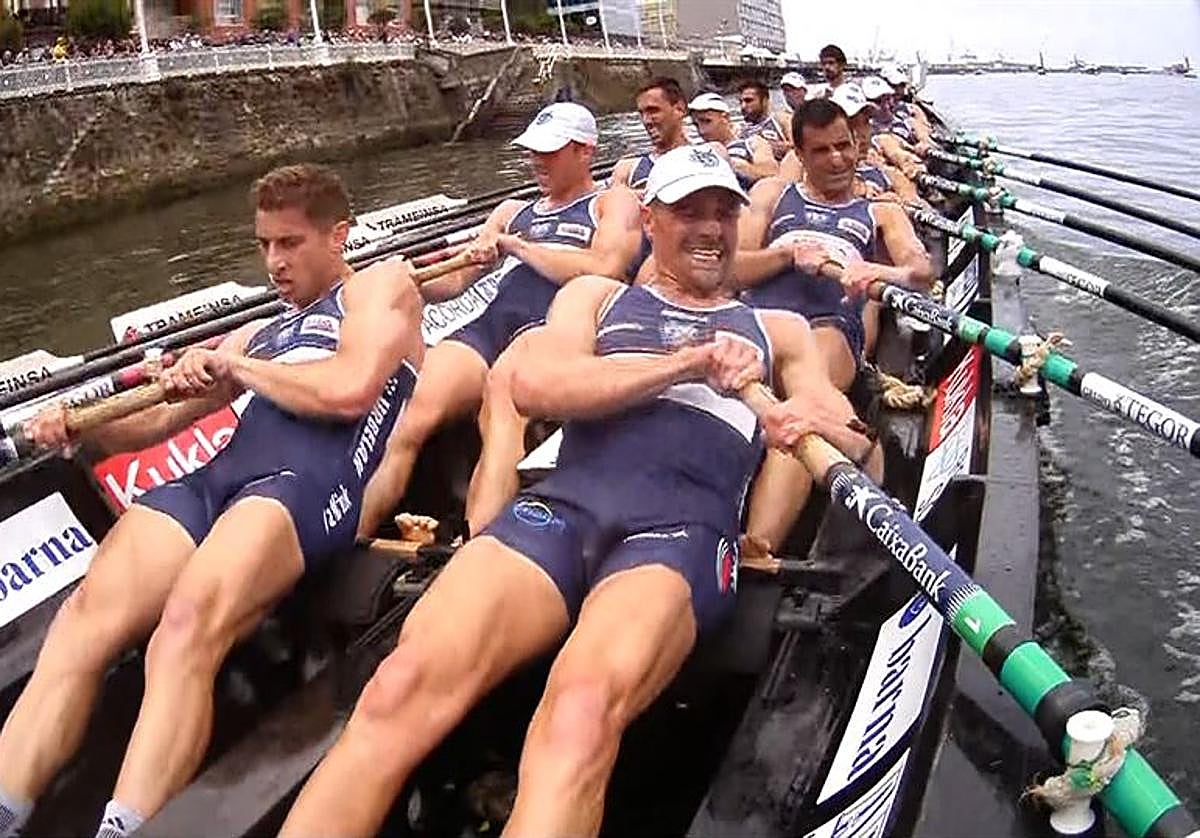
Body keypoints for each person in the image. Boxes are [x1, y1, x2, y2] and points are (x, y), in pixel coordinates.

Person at [279, 145, 878, 838]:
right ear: (650, 220)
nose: (711, 228)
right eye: (689, 211)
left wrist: (816, 419)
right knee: (397, 688)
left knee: (579, 714)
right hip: (558, 514)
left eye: (724, 212)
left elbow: (847, 428)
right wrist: (684, 364)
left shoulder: (779, 330)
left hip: (677, 535)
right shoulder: (596, 298)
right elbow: (536, 385)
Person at [0, 164, 424, 838]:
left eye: (290, 243)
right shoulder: (261, 333)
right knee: (83, 618)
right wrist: (78, 426)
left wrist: (236, 367)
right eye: (263, 245)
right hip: (219, 483)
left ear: (338, 234)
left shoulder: (381, 288)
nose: (273, 262)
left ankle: (126, 827)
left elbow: (352, 390)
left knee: (184, 627)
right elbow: (157, 423)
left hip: (306, 488)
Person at [358, 103, 642, 538]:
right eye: (532, 151)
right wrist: (407, 278)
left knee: (500, 411)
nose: (536, 161)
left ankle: (473, 542)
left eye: (550, 152)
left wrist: (517, 247)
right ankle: (353, 534)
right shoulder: (511, 210)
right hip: (487, 329)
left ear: (585, 151)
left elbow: (605, 266)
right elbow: (455, 280)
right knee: (410, 412)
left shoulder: (611, 202)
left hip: (551, 332)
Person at [735, 98, 932, 552]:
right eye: (821, 151)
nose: (838, 158)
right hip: (758, 321)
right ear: (799, 156)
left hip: (829, 327)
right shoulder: (770, 195)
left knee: (804, 403)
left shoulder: (881, 211)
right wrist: (785, 254)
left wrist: (879, 272)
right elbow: (733, 270)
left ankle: (760, 544)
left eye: (844, 146)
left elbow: (920, 272)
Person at [609, 77, 691, 191]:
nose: (646, 120)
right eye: (642, 113)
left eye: (653, 110)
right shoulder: (628, 170)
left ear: (679, 109)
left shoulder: (711, 154)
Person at [688, 91, 778, 189]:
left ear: (725, 118)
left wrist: (732, 165)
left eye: (707, 121)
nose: (701, 131)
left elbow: (773, 175)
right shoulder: (696, 152)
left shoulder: (752, 143)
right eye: (696, 125)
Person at [862, 75, 926, 176]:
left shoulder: (908, 122)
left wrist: (924, 142)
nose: (885, 106)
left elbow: (924, 136)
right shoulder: (866, 130)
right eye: (878, 102)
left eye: (887, 99)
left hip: (919, 162)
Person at [737, 78, 790, 161]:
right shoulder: (739, 130)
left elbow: (803, 147)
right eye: (741, 102)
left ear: (764, 101)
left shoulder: (781, 120)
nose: (743, 106)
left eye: (749, 101)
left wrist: (780, 147)